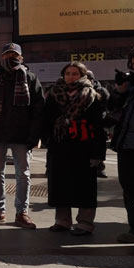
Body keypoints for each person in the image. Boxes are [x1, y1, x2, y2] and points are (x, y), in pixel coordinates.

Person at [0, 43, 45, 229]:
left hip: (22, 135)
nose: (10, 58)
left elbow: (39, 109)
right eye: (7, 54)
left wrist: (35, 135)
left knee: (23, 174)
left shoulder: (30, 79)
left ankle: (21, 212)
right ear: (2, 57)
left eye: (14, 55)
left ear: (21, 57)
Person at [42, 62, 107, 235]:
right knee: (60, 185)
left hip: (84, 146)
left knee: (85, 187)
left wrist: (98, 153)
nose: (71, 76)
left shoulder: (92, 95)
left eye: (75, 73)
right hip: (60, 146)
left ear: (83, 75)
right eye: (68, 73)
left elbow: (99, 126)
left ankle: (85, 223)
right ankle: (62, 221)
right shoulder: (54, 94)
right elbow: (46, 120)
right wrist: (46, 140)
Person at [108, 45, 134, 243]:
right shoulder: (131, 85)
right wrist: (120, 90)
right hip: (127, 144)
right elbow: (112, 108)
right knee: (128, 187)